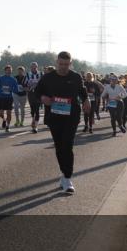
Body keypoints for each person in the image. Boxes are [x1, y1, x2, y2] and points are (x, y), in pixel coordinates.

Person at [31, 51, 90, 195]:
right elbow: (36, 93)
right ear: (56, 62)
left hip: (71, 117)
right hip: (54, 117)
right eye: (61, 64)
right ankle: (64, 174)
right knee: (59, 147)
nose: (63, 67)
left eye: (66, 64)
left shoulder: (75, 77)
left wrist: (86, 100)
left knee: (67, 145)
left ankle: (67, 178)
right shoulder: (47, 77)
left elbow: (83, 92)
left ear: (70, 64)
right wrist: (43, 98)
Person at [0, 65, 19, 131]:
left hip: (9, 98)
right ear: (5, 71)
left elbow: (16, 90)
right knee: (0, 113)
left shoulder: (13, 80)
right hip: (1, 98)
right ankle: (4, 119)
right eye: (8, 70)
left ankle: (8, 126)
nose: (9, 71)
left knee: (9, 113)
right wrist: (1, 91)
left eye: (10, 70)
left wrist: (11, 90)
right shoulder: (0, 78)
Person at [26, 62, 43, 132]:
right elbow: (26, 83)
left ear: (37, 67)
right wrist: (28, 87)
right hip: (30, 94)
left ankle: (35, 126)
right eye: (32, 67)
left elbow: (43, 83)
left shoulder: (41, 74)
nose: (34, 68)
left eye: (35, 67)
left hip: (38, 93)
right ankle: (33, 119)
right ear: (30, 68)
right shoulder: (27, 74)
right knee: (32, 109)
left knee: (37, 110)